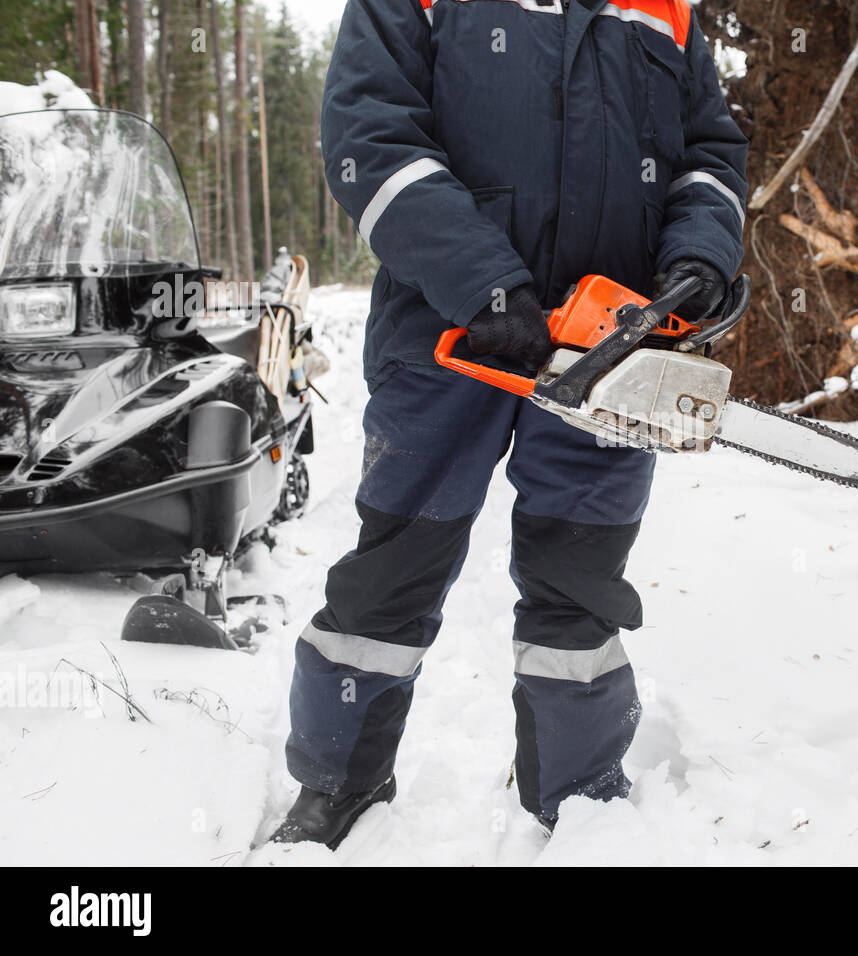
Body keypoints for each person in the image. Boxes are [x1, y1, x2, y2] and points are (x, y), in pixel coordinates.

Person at [272, 0, 747, 849]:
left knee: (581, 576)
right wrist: (484, 279)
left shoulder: (665, 10)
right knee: (396, 563)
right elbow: (369, 135)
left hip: (612, 338)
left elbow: (708, 154)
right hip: (448, 330)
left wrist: (700, 254)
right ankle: (336, 780)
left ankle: (580, 793)